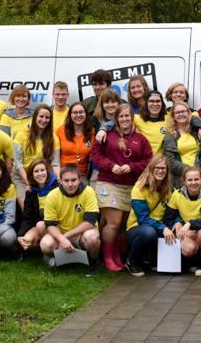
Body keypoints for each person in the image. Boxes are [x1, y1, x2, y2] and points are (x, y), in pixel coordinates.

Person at [91, 103, 153, 272]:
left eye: (127, 116)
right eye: (121, 116)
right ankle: (107, 256)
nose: (125, 119)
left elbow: (148, 160)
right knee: (114, 222)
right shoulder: (106, 135)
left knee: (123, 223)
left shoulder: (140, 139)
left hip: (130, 186)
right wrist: (111, 166)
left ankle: (116, 254)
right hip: (108, 182)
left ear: (132, 118)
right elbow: (95, 155)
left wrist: (132, 167)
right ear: (116, 119)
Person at [40, 165, 101, 275]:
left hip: (82, 233)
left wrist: (65, 237)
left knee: (92, 237)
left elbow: (90, 222)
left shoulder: (88, 192)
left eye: (73, 180)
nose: (70, 184)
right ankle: (61, 260)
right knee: (46, 244)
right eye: (66, 180)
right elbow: (50, 224)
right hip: (61, 232)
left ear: (79, 179)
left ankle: (93, 262)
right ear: (61, 181)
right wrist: (61, 238)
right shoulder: (52, 195)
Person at [124, 155, 175, 276]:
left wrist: (176, 224)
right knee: (149, 232)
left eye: (164, 168)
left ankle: (155, 260)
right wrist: (163, 228)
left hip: (158, 227)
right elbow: (143, 219)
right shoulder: (139, 188)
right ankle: (131, 261)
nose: (161, 170)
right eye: (157, 167)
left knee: (174, 229)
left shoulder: (167, 190)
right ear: (151, 168)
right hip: (137, 229)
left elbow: (171, 213)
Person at [163, 166, 201, 276]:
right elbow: (168, 218)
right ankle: (191, 262)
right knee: (189, 249)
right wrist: (177, 222)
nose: (193, 183)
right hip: (186, 231)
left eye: (196, 179)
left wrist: (190, 224)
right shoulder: (177, 194)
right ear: (184, 181)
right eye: (189, 180)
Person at [12, 105, 61, 204]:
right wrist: (29, 182)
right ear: (35, 117)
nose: (44, 120)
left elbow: (55, 163)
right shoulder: (21, 135)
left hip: (43, 176)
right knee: (27, 207)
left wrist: (57, 180)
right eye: (41, 116)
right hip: (23, 177)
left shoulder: (53, 138)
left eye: (47, 117)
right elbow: (18, 164)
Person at [163, 101, 201, 189]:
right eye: (177, 112)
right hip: (181, 178)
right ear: (173, 116)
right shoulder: (170, 135)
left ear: (188, 113)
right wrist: (191, 172)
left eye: (183, 111)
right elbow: (170, 161)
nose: (181, 114)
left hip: (200, 176)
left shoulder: (196, 131)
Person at [17, 158, 59, 254]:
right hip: (39, 226)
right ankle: (44, 251)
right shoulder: (31, 191)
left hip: (57, 225)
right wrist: (20, 235)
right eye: (36, 171)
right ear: (31, 175)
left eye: (42, 170)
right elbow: (27, 217)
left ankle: (52, 251)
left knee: (40, 225)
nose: (40, 174)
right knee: (27, 240)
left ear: (47, 171)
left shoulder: (57, 187)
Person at [56, 102, 95, 181]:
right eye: (75, 113)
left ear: (86, 114)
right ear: (70, 115)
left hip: (82, 176)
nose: (78, 115)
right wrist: (59, 177)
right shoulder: (61, 131)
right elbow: (54, 160)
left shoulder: (91, 131)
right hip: (63, 176)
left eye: (81, 112)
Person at [133, 90, 168, 154]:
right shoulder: (136, 118)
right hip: (143, 160)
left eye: (158, 101)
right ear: (146, 103)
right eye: (151, 101)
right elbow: (119, 120)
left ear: (162, 103)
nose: (155, 104)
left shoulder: (169, 117)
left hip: (161, 161)